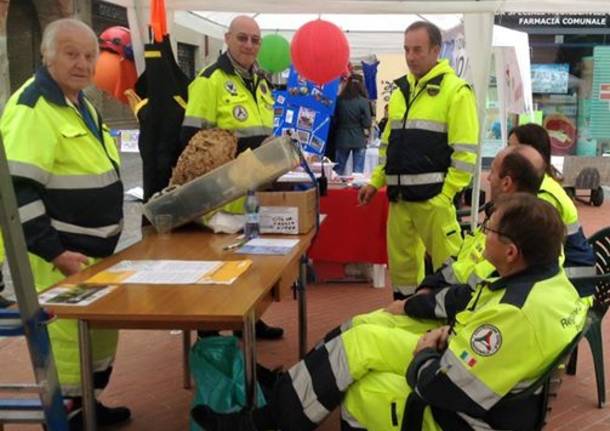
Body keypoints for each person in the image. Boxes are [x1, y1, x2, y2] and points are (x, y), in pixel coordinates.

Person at [192, 193, 587, 431]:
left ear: (512, 251)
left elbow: (445, 389)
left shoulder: (517, 313)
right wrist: (444, 337)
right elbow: (489, 333)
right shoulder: (549, 285)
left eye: (490, 231)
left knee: (362, 390)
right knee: (359, 339)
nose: (482, 237)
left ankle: (268, 420)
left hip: (469, 414)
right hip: (476, 372)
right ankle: (271, 416)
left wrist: (428, 353)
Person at [0, 18, 129, 428]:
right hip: (58, 257)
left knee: (96, 336)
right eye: (71, 53)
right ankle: (68, 415)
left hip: (94, 257)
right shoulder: (33, 108)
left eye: (89, 55)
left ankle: (90, 404)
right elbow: (17, 192)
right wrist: (54, 252)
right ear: (47, 54)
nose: (82, 63)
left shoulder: (82, 103)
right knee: (69, 344)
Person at [357, 21, 479, 299]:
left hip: (434, 201)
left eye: (418, 50)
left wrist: (445, 196)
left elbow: (465, 153)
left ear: (436, 50)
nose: (411, 56)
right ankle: (406, 321)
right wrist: (375, 182)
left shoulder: (456, 92)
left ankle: (451, 328)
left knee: (450, 271)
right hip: (400, 200)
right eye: (406, 50)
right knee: (402, 273)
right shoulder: (401, 93)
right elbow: (388, 145)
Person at [180, 15, 283, 340]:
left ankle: (250, 320)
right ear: (227, 38)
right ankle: (209, 335)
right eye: (243, 38)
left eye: (255, 40)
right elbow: (192, 142)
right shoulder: (209, 80)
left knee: (251, 262)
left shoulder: (262, 82)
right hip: (222, 196)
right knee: (215, 267)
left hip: (255, 191)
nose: (249, 45)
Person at [508, 123, 596, 272]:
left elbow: (542, 254)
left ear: (533, 153)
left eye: (513, 148)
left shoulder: (543, 194)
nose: (506, 153)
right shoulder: (540, 182)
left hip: (573, 281)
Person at [333, 76, 372, 175]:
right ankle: (356, 190)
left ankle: (336, 190)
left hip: (341, 138)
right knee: (357, 173)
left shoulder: (339, 100)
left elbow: (334, 120)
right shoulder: (363, 101)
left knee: (338, 171)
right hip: (358, 138)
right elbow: (367, 123)